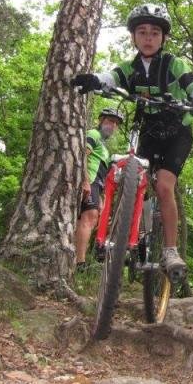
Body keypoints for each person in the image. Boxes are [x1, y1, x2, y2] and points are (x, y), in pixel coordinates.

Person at [71, 3, 193, 282]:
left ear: (163, 38)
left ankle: (170, 250)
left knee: (163, 186)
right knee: (132, 175)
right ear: (134, 37)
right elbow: (111, 77)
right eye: (142, 32)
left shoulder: (173, 63)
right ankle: (128, 231)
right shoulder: (130, 67)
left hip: (177, 132)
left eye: (155, 33)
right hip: (146, 130)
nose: (148, 38)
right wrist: (94, 80)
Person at [74, 108, 123, 272]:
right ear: (101, 120)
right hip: (90, 181)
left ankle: (77, 257)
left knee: (94, 220)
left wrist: (101, 196)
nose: (113, 126)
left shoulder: (104, 146)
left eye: (116, 124)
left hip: (97, 185)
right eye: (110, 121)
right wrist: (85, 181)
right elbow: (82, 156)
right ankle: (79, 263)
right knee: (89, 217)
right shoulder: (93, 134)